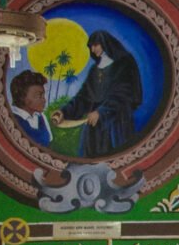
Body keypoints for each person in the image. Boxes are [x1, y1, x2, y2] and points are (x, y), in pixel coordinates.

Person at [57, 29, 143, 158]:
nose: (92, 49)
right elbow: (83, 97)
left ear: (105, 43)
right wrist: (64, 112)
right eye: (91, 46)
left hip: (116, 122)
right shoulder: (94, 70)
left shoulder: (124, 63)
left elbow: (123, 93)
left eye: (95, 45)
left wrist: (101, 112)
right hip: (94, 124)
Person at [9, 69, 54, 147]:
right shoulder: (11, 119)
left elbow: (49, 146)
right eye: (39, 95)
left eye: (43, 95)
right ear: (22, 96)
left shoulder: (41, 117)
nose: (44, 100)